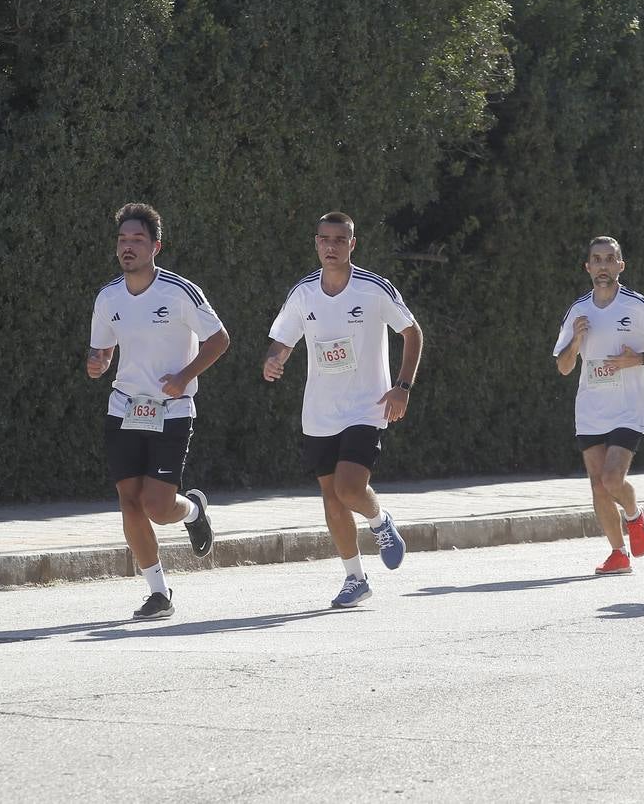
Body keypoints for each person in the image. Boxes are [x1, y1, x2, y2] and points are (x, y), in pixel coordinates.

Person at [263, 212, 422, 608]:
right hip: (319, 411)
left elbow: (412, 332)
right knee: (331, 498)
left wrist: (402, 387)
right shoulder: (303, 292)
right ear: (316, 243)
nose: (331, 246)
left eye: (339, 239)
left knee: (349, 488)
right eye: (324, 239)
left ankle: (379, 522)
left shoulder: (373, 289)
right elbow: (282, 339)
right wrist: (274, 359)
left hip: (367, 406)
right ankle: (355, 578)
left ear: (353, 244)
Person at [87, 203, 229, 620]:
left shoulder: (180, 292)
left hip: (171, 410)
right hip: (124, 410)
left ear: (156, 246)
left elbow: (219, 340)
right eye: (122, 240)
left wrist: (184, 376)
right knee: (129, 503)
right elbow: (102, 351)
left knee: (158, 507)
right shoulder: (108, 296)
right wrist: (97, 364)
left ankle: (195, 510)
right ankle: (158, 592)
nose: (127, 247)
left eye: (137, 240)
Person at [553, 236, 644, 575]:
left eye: (610, 260)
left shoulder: (637, 306)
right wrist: (577, 341)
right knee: (597, 485)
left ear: (621, 265)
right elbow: (563, 367)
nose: (603, 266)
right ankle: (618, 553)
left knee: (611, 479)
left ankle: (635, 515)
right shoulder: (578, 311)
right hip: (591, 410)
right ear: (588, 267)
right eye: (597, 260)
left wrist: (638, 358)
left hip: (628, 410)